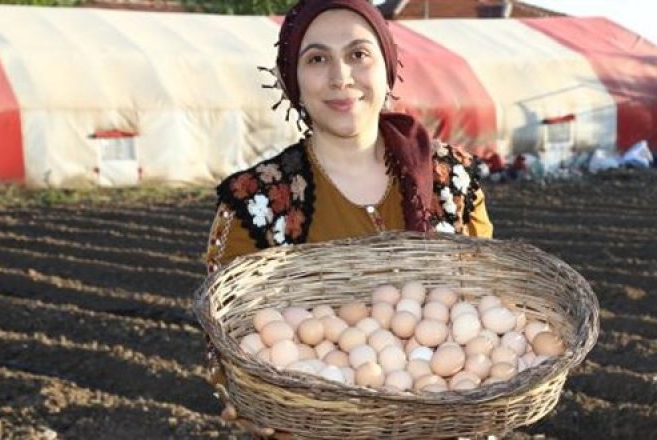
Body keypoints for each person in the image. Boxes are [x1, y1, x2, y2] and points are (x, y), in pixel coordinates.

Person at [202, 0, 493, 437]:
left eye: (358, 54)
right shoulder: (257, 202)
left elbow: (490, 307)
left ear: (388, 67)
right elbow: (232, 342)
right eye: (317, 58)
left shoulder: (451, 181)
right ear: (291, 79)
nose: (341, 77)